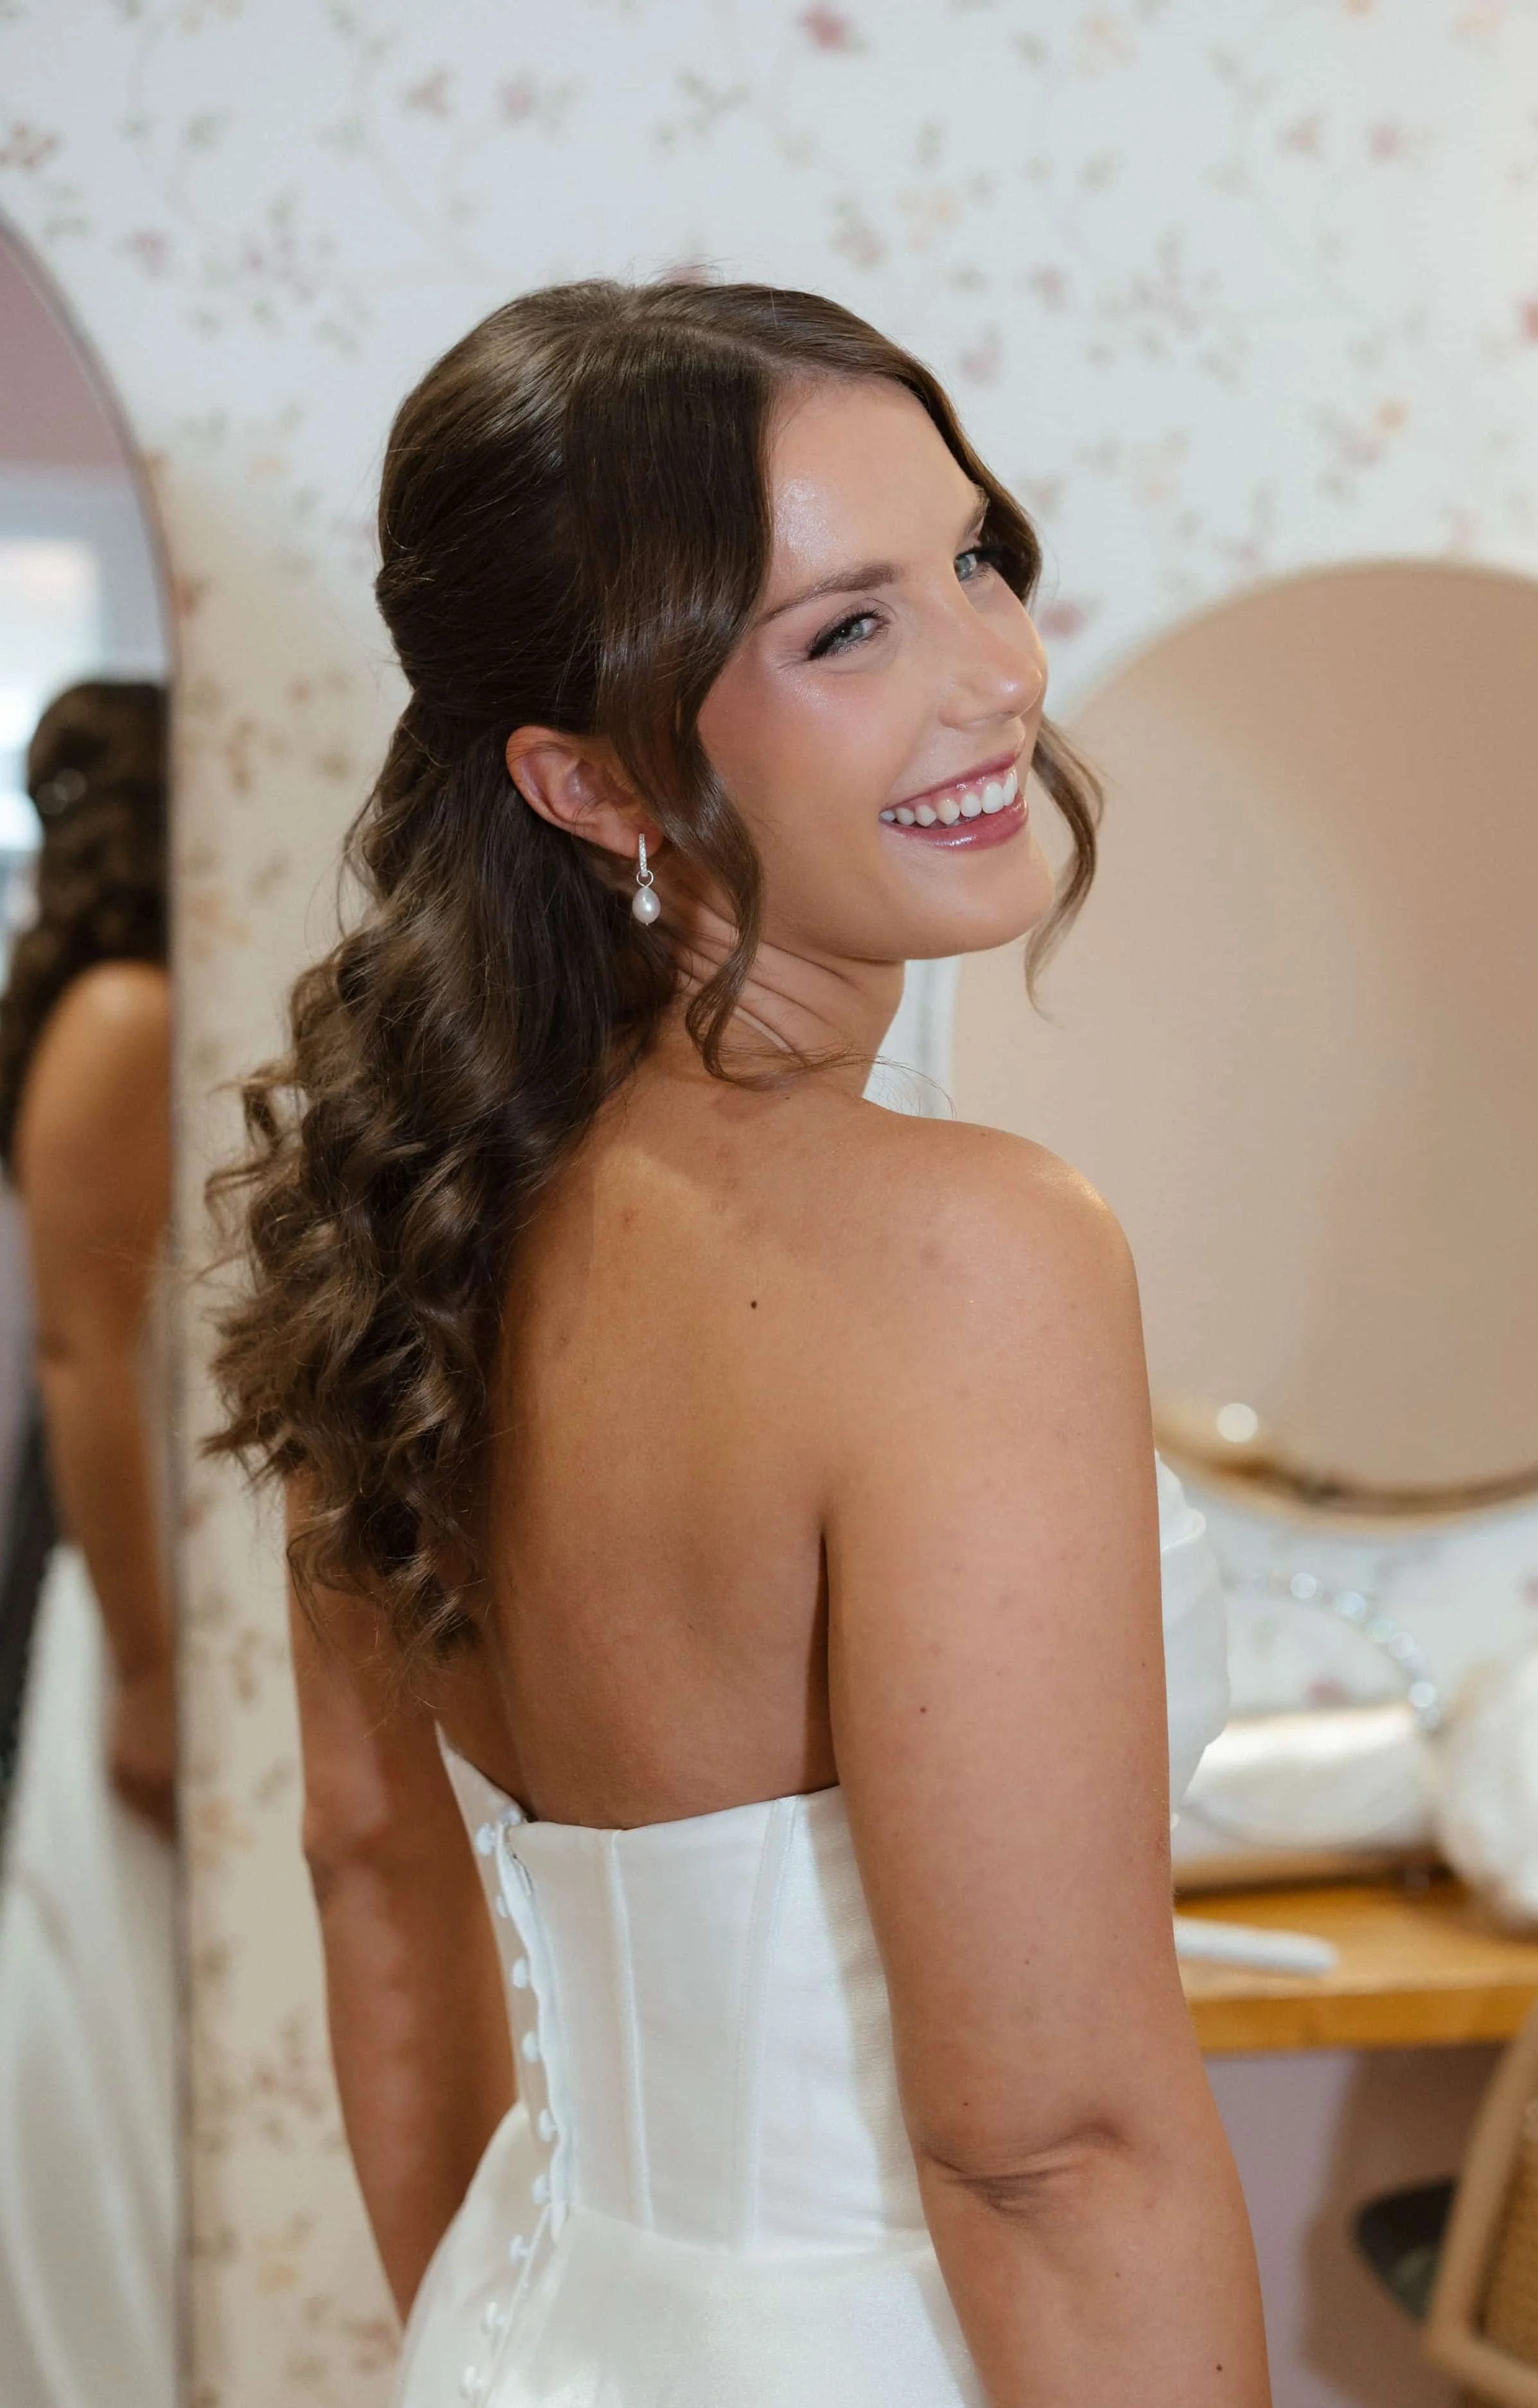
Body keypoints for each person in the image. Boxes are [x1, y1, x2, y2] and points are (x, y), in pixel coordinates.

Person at [212, 281, 1269, 2407]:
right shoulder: (968, 1251)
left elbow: (376, 1886)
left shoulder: (411, 1207)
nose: (992, 672)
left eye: (973, 557)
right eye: (843, 630)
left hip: (527, 2332)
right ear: (588, 778)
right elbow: (1048, 2148)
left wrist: (551, 2333)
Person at [0, 679, 177, 2407]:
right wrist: (146, 1666)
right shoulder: (127, 1011)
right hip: (119, 1581)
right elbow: (83, 1356)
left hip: (142, 1571)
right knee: (101, 1998)